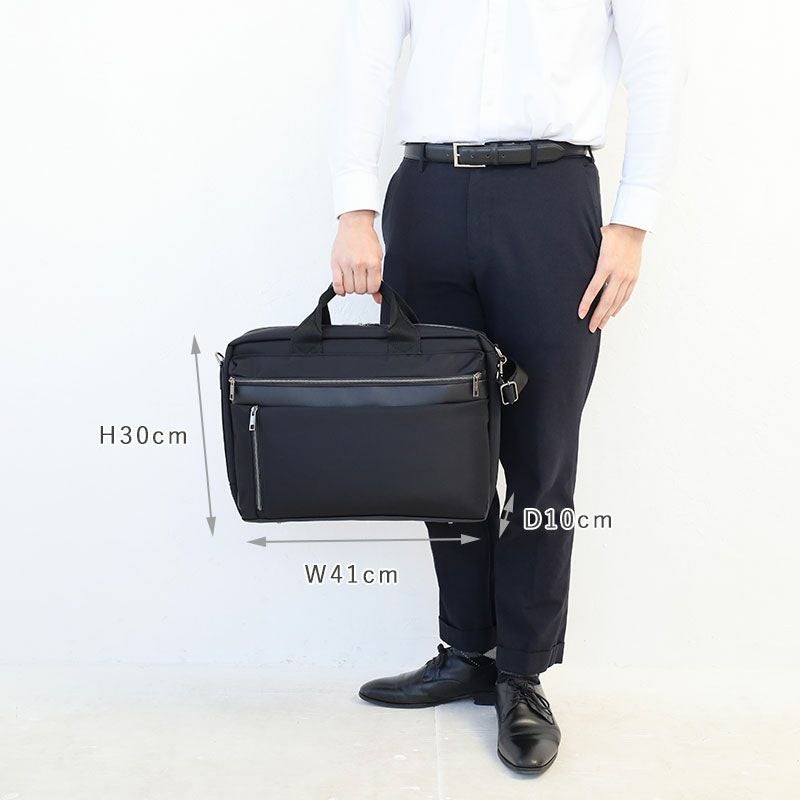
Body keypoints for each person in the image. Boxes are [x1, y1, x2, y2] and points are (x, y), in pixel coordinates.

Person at [328, 0, 679, 775]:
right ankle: (467, 651)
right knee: (437, 449)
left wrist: (633, 221)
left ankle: (522, 671)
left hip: (551, 200)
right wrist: (354, 205)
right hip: (426, 194)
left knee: (542, 454)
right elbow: (367, 56)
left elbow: (654, 63)